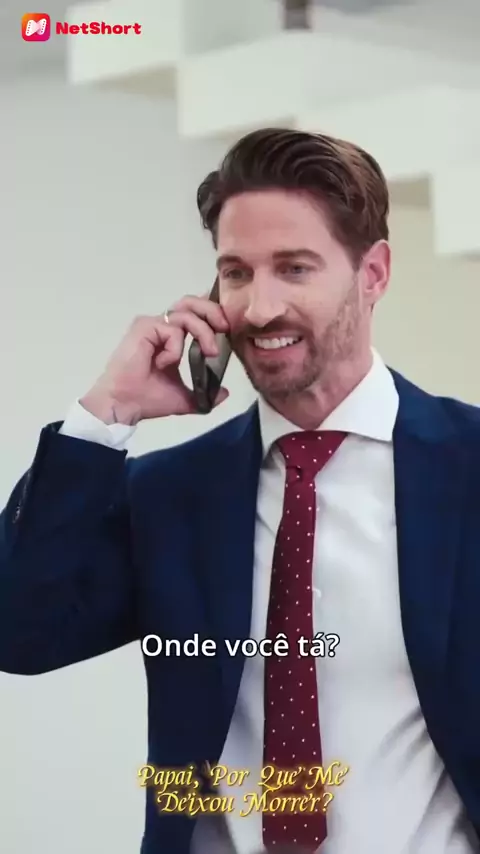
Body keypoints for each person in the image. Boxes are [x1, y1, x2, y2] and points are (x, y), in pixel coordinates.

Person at [0, 127, 479, 854]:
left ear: (374, 272)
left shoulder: (468, 466)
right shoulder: (171, 494)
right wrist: (107, 414)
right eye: (236, 272)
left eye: (294, 269)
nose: (258, 309)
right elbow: (19, 631)